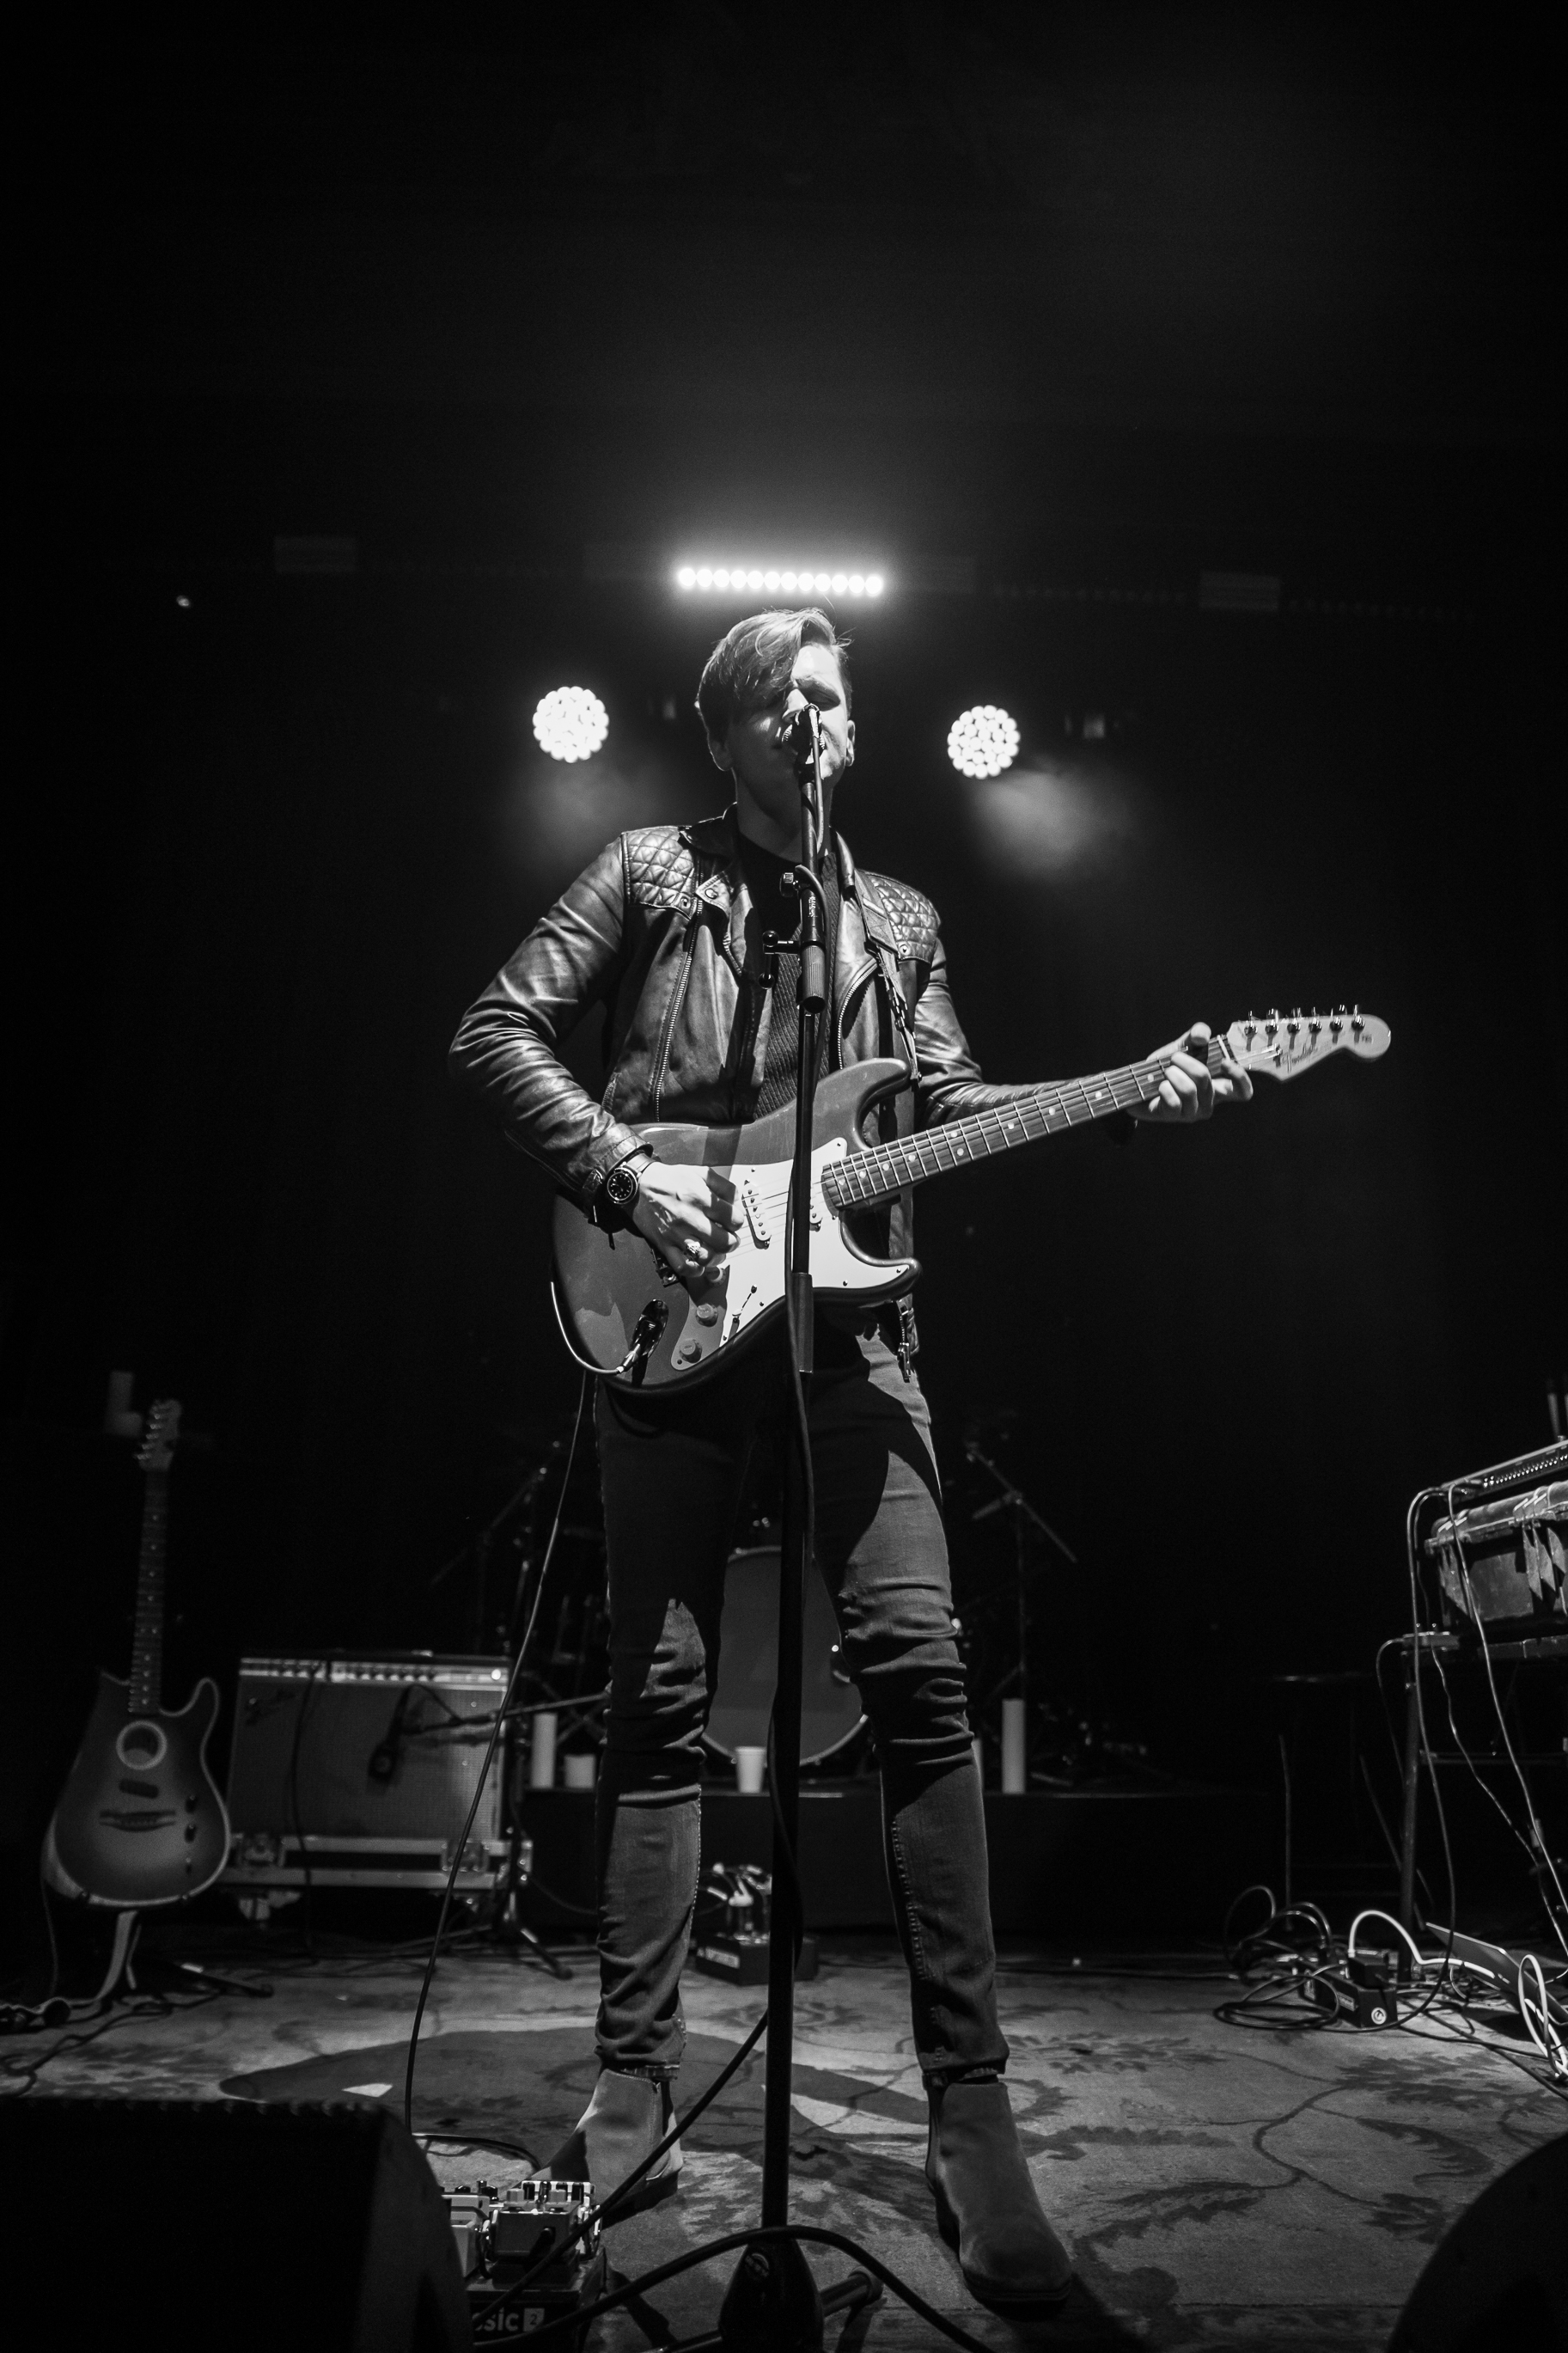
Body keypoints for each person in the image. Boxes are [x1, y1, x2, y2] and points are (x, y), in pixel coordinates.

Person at [449, 607, 1249, 2318]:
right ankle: (632, 2081)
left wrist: (1125, 1092)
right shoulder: (647, 870)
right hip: (664, 1309)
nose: (820, 722)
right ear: (730, 730)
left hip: (857, 1333)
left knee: (922, 1683)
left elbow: (942, 1105)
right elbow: (494, 1028)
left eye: (835, 699)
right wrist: (624, 1173)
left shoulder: (898, 917)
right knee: (658, 1703)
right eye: (788, 702)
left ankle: (971, 2115)